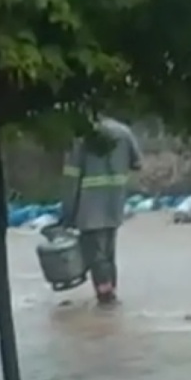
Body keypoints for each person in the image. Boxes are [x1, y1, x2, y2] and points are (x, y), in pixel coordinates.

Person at [60, 116, 143, 306]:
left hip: (88, 205)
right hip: (115, 202)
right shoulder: (124, 132)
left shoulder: (82, 135)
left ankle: (105, 298)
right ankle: (110, 293)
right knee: (108, 253)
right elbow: (137, 163)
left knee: (96, 256)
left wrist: (67, 213)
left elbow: (72, 178)